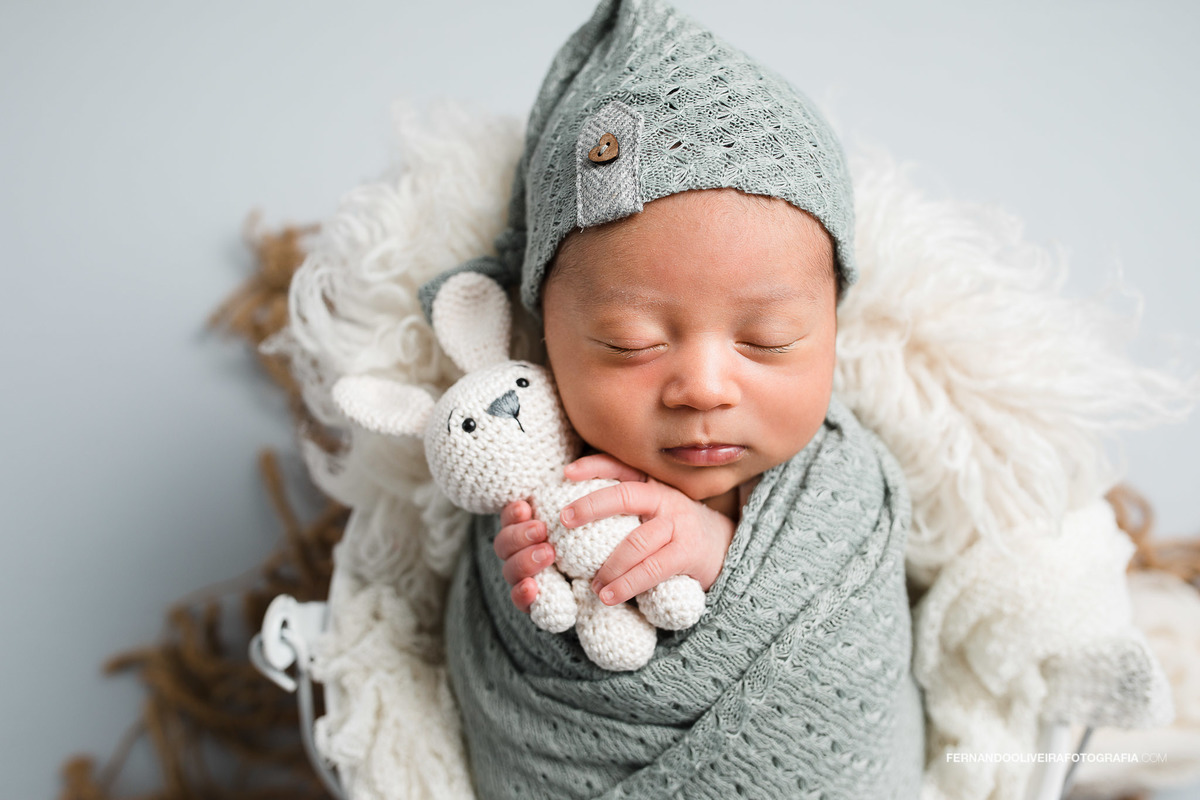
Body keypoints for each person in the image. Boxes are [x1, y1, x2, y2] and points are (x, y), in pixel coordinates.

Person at [420, 0, 926, 797]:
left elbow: (853, 650)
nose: (703, 388)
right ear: (543, 333)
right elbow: (507, 670)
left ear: (834, 325)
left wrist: (724, 556)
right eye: (630, 344)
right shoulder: (531, 464)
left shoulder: (841, 489)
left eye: (768, 339)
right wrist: (529, 578)